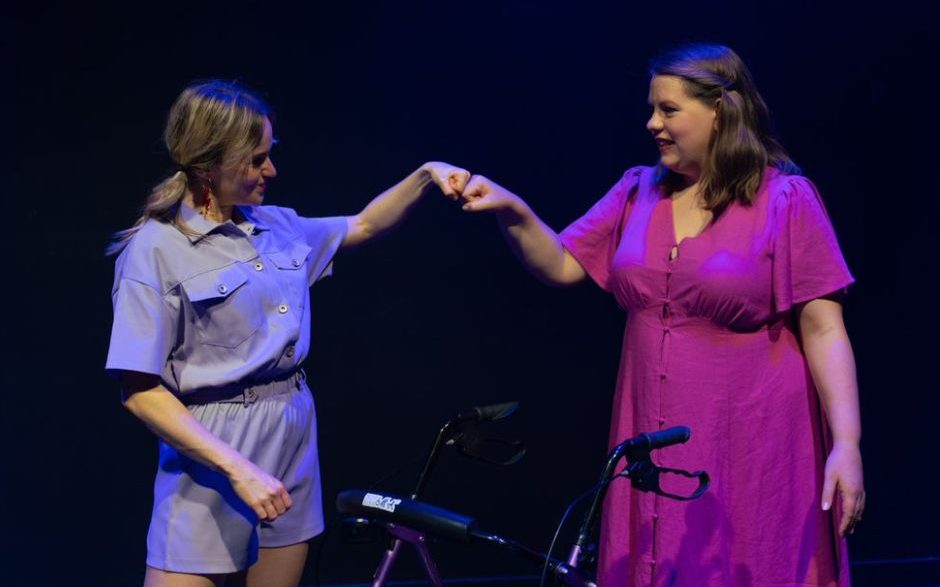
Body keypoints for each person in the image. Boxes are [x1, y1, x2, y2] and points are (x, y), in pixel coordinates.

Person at [456, 44, 864, 586]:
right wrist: (512, 209)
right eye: (652, 109)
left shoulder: (785, 199)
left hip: (751, 441)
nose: (653, 124)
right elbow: (559, 263)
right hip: (651, 439)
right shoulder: (637, 190)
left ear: (720, 110)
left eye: (669, 110)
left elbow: (824, 327)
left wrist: (847, 444)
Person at [105, 80, 468, 587]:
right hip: (212, 446)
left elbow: (362, 226)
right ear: (209, 162)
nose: (269, 170)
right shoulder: (155, 250)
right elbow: (139, 390)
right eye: (255, 160)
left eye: (268, 155)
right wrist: (238, 468)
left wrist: (427, 175)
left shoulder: (278, 227)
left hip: (292, 425)